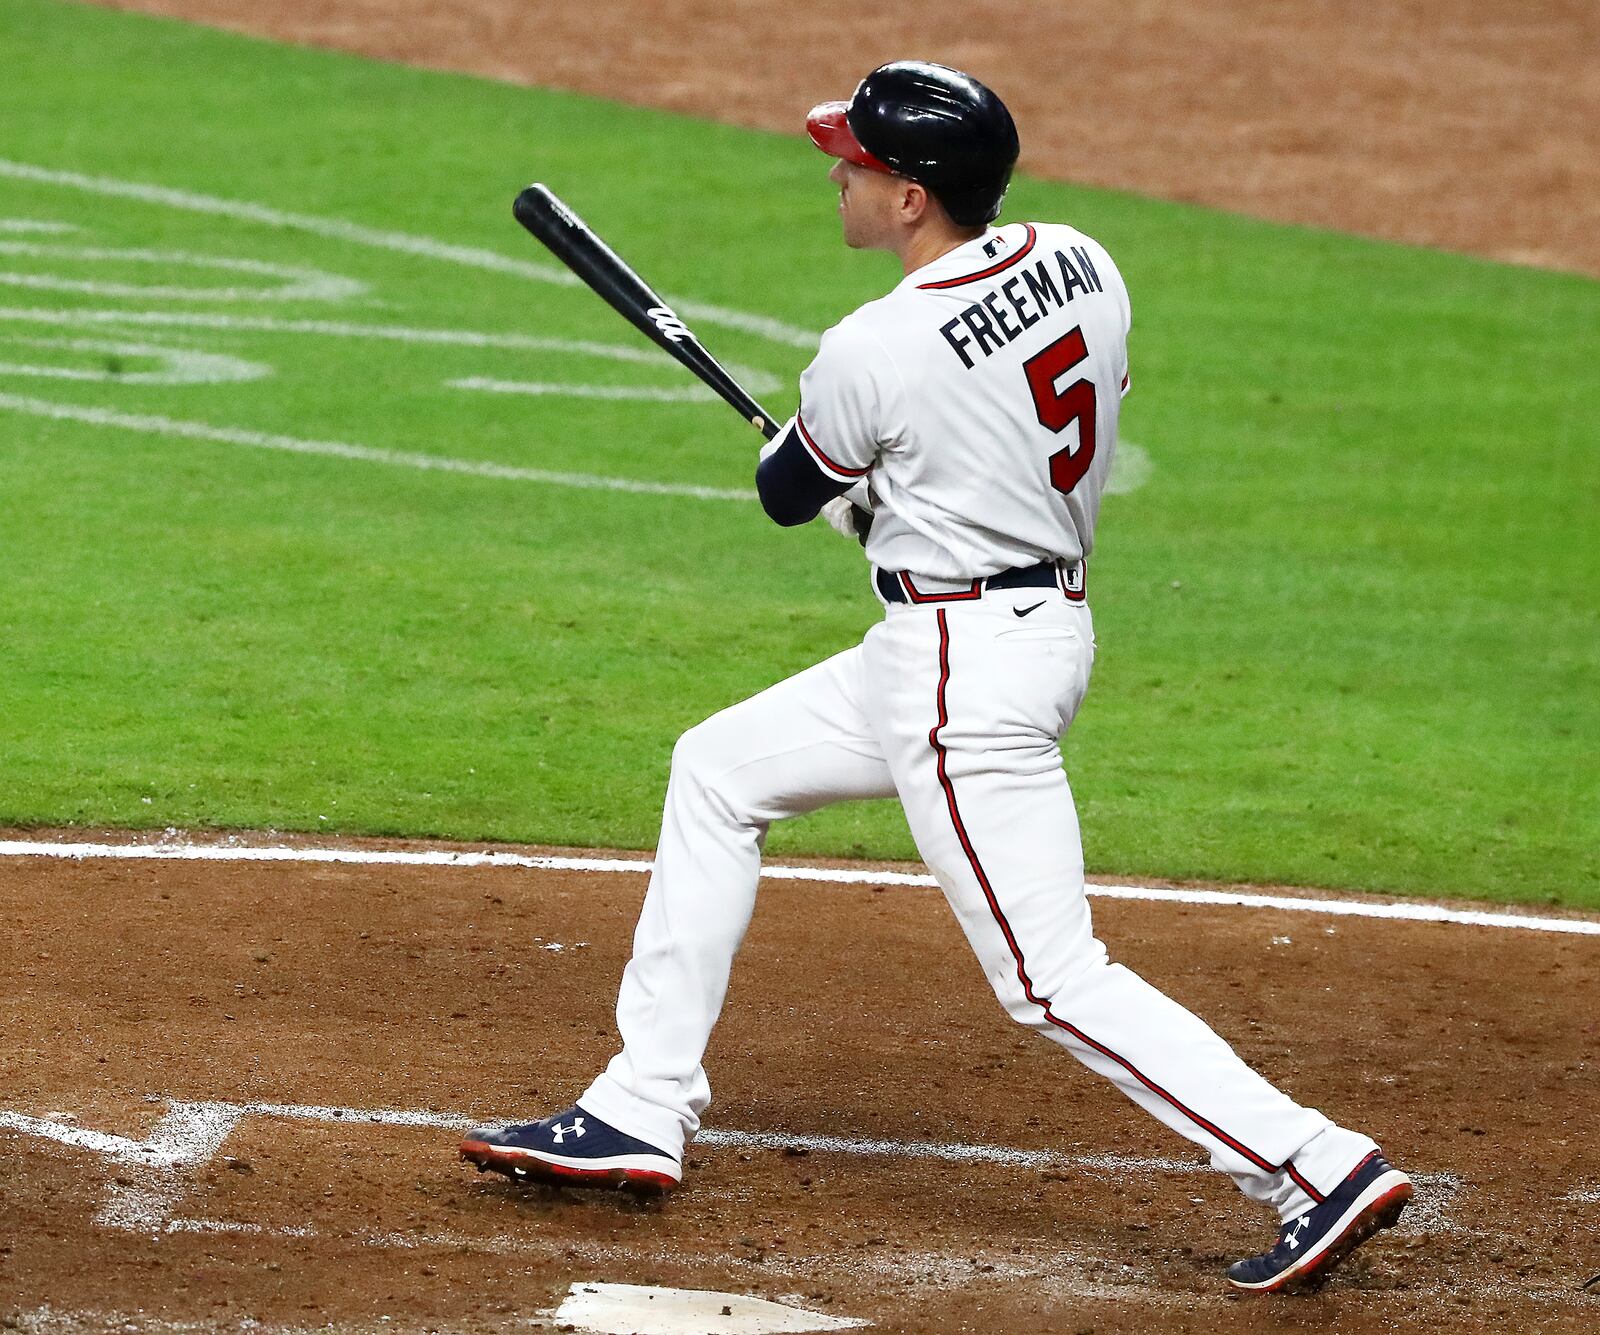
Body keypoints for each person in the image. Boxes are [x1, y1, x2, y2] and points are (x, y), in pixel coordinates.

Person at [462, 61, 1412, 1294]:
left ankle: (1312, 1163)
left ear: (911, 198)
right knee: (717, 771)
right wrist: (910, 510)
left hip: (960, 673)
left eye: (854, 162)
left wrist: (869, 501)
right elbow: (1061, 423)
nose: (838, 175)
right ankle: (641, 1105)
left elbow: (783, 493)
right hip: (1030, 624)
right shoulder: (1081, 257)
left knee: (1049, 977)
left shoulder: (876, 345)